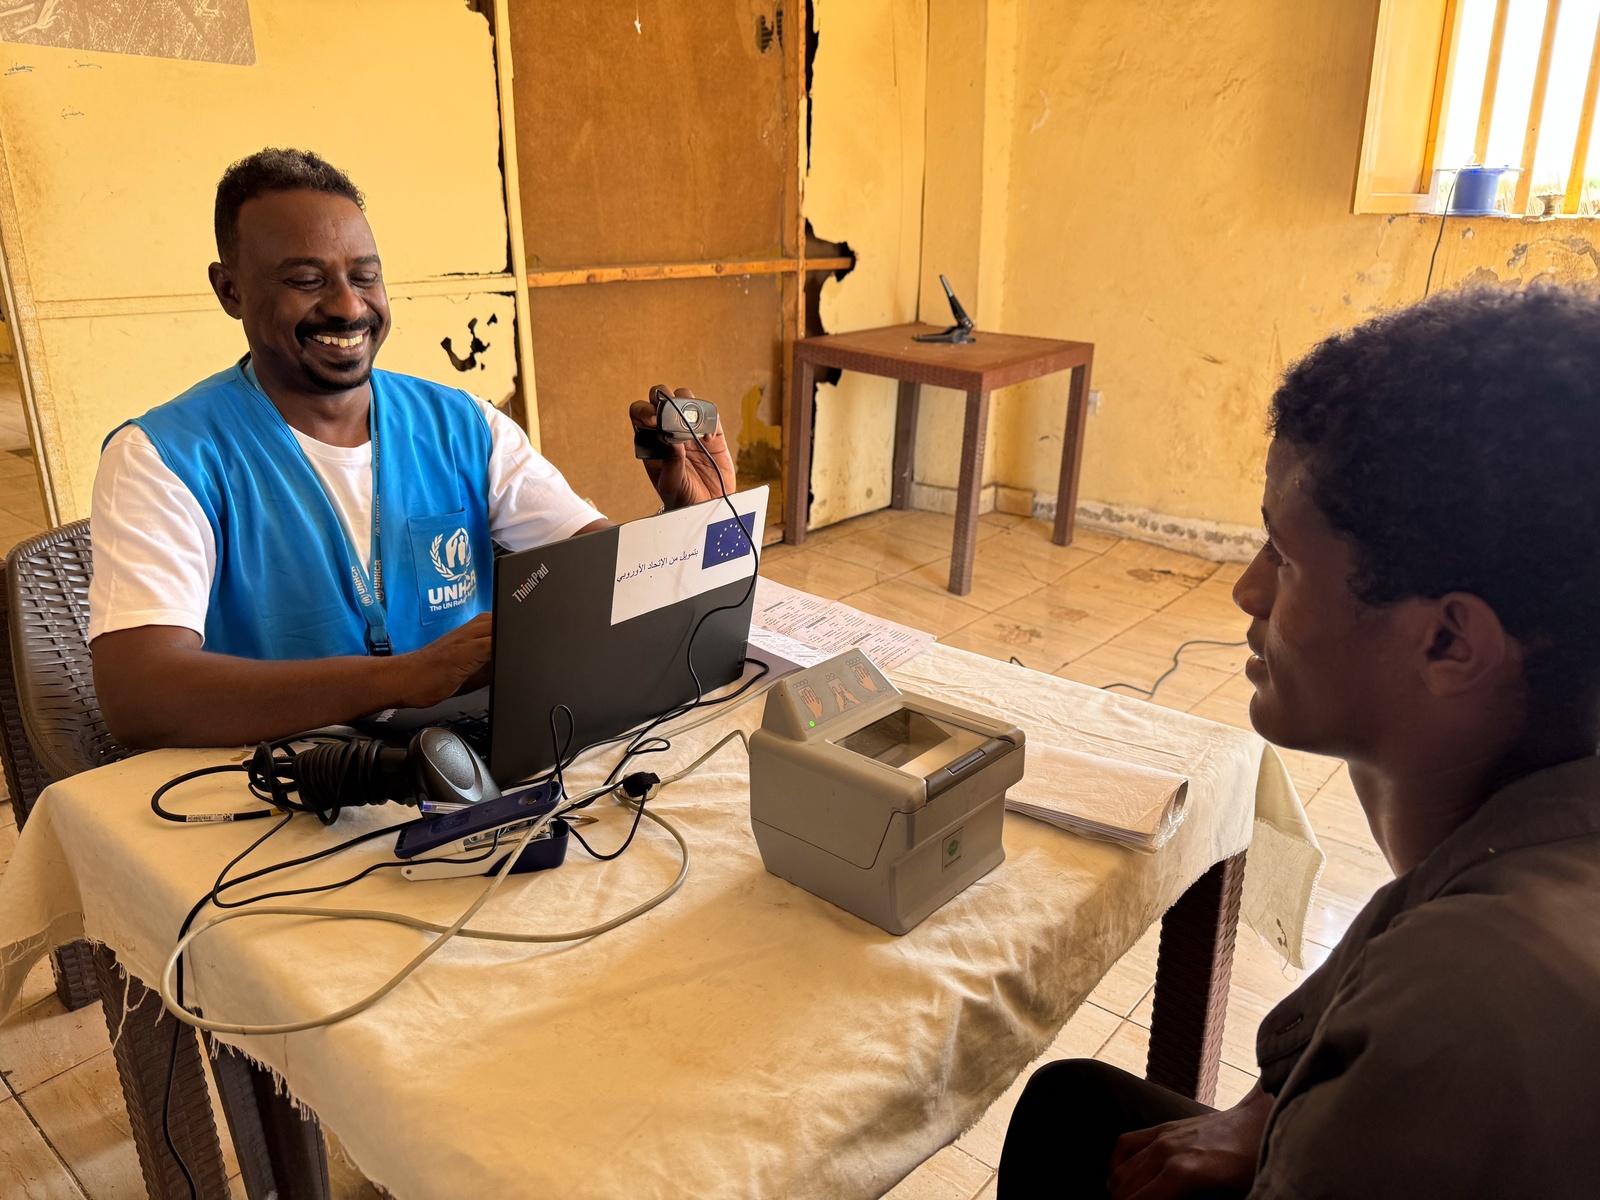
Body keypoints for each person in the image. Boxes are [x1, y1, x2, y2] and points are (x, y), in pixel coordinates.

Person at [998, 284, 1600, 1198]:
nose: (1247, 591)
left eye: (1284, 557)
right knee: (1078, 1109)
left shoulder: (1463, 1003)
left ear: (1448, 643)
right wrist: (1278, 1104)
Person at [88, 148, 733, 749]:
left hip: (465, 758)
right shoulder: (164, 457)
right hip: (283, 784)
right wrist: (405, 677)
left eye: (365, 276)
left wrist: (698, 522)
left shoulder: (465, 426)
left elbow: (597, 583)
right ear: (230, 290)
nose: (348, 307)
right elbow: (142, 698)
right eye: (307, 280)